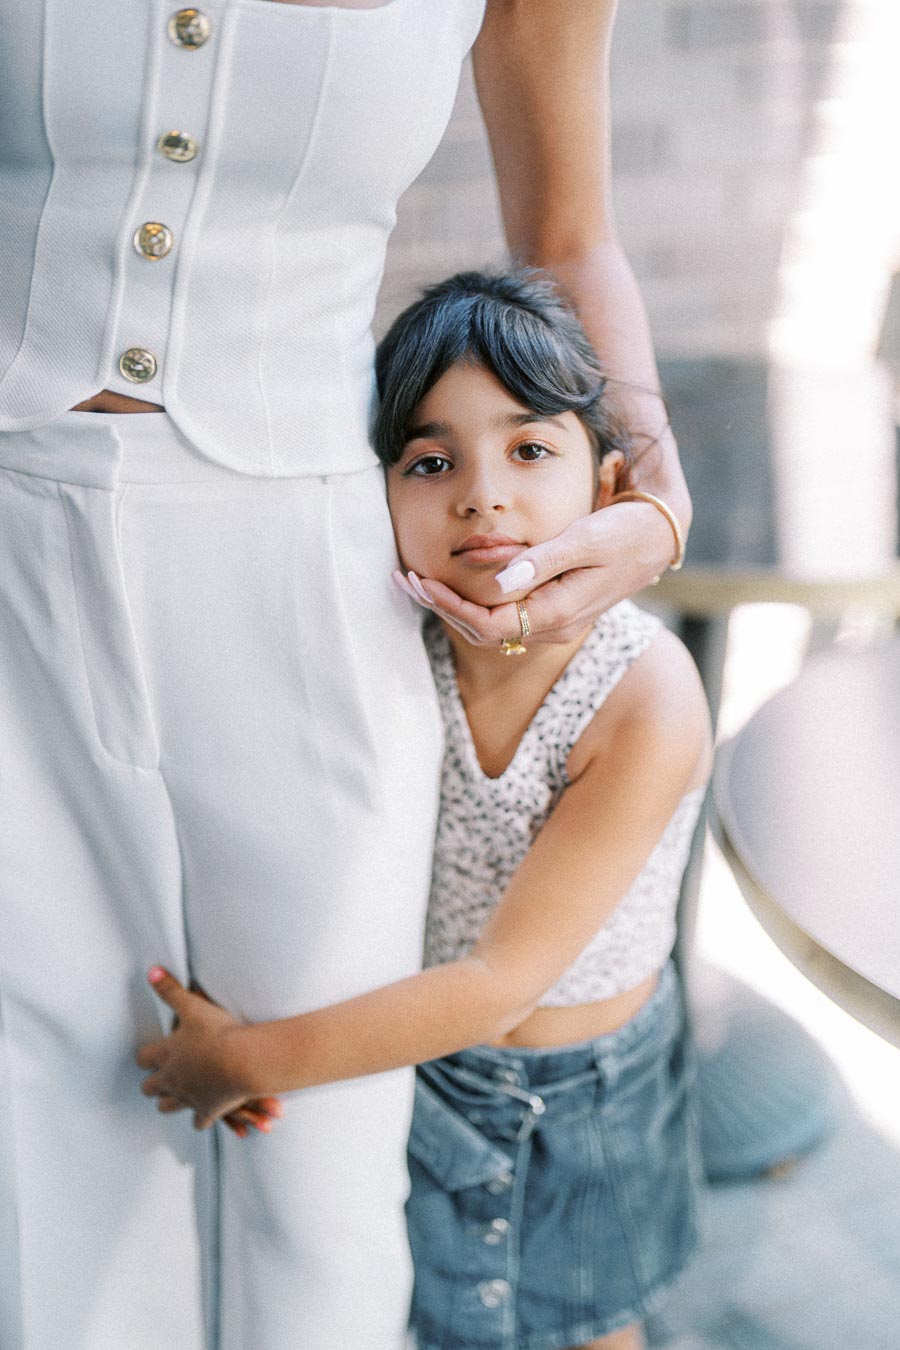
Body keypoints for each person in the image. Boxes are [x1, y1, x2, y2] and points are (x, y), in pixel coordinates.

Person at [0, 2, 690, 1347]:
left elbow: (567, 233)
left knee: (322, 1167)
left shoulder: (632, 698)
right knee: (46, 1106)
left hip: (310, 574)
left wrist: (657, 502)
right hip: (11, 541)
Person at [138, 269, 712, 1350]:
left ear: (610, 487)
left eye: (529, 449)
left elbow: (503, 982)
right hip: (422, 1061)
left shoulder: (644, 695)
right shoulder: (390, 644)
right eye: (431, 462)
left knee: (591, 1329)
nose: (482, 495)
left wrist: (246, 1060)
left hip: (582, 1099)